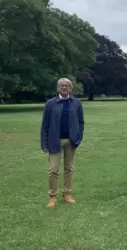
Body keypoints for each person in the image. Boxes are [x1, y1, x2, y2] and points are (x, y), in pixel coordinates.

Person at [40, 78, 84, 208]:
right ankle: (52, 196)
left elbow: (81, 122)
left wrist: (79, 136)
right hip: (54, 141)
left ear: (70, 88)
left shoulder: (76, 103)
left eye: (66, 86)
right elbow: (45, 125)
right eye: (61, 86)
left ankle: (67, 194)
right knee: (53, 169)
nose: (64, 87)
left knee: (69, 168)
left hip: (71, 141)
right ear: (58, 88)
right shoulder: (50, 104)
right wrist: (44, 142)